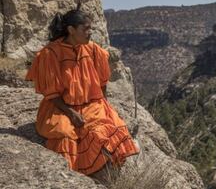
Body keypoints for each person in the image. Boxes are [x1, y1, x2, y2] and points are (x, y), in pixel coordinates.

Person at [25, 9, 139, 176]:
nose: (90, 32)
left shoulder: (92, 50)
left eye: (90, 28)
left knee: (105, 131)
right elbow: (52, 94)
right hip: (60, 107)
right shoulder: (51, 54)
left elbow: (102, 82)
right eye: (85, 29)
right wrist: (71, 113)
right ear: (71, 30)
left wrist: (104, 105)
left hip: (91, 104)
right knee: (64, 136)